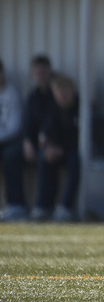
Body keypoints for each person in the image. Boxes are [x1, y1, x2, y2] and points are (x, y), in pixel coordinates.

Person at [35, 73, 82, 221]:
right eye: (59, 93)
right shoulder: (53, 109)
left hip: (73, 152)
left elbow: (81, 138)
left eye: (65, 92)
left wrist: (61, 149)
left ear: (72, 91)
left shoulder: (82, 108)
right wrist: (47, 146)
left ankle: (66, 207)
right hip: (57, 151)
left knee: (75, 162)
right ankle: (44, 206)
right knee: (44, 159)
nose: (62, 96)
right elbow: (44, 133)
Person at [20, 55, 55, 220]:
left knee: (44, 158)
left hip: (54, 143)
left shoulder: (56, 94)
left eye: (44, 71)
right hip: (37, 142)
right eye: (37, 72)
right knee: (12, 155)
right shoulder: (32, 97)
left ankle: (43, 206)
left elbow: (56, 122)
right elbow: (27, 124)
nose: (41, 75)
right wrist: (27, 142)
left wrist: (47, 141)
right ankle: (16, 205)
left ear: (49, 72)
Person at [0, 58, 25, 221]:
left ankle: (16, 205)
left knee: (11, 155)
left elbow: (14, 127)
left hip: (10, 141)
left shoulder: (11, 94)